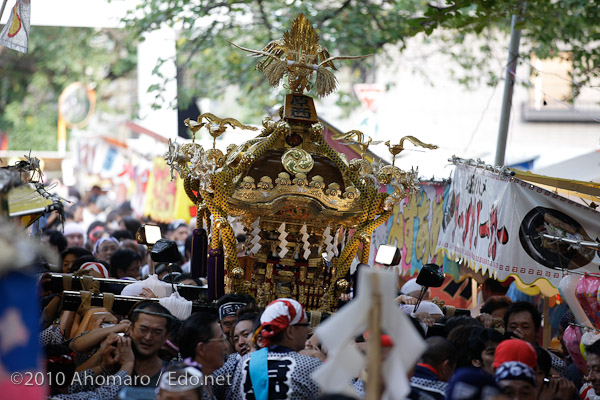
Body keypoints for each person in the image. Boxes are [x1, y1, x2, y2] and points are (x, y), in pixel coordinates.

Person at [226, 298, 321, 400]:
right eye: (306, 325)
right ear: (290, 331)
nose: (307, 331)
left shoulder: (243, 363)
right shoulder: (311, 366)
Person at [179, 312, 229, 399]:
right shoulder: (187, 388)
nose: (226, 346)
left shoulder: (204, 380)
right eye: (221, 340)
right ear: (201, 348)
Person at [127, 301, 174, 387]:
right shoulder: (110, 366)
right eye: (143, 329)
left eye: (157, 332)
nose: (148, 337)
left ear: (166, 336)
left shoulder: (174, 376)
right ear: (131, 329)